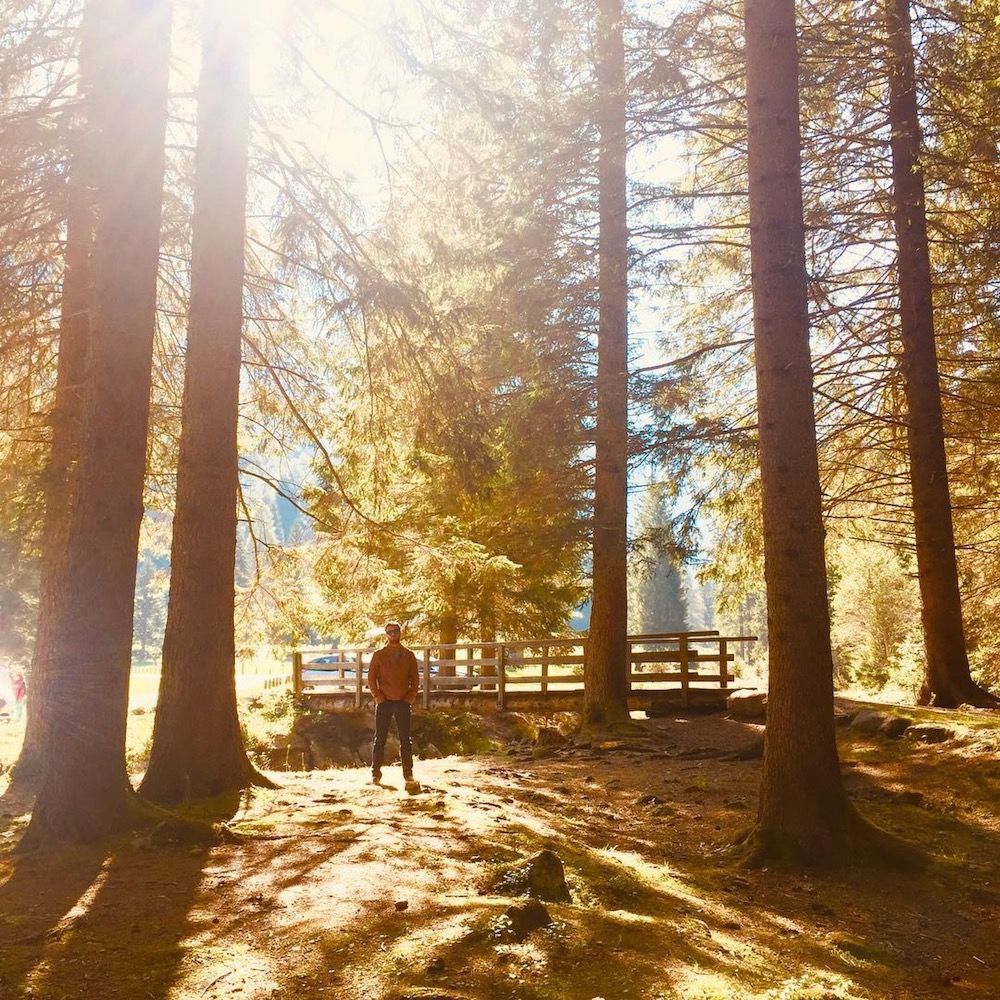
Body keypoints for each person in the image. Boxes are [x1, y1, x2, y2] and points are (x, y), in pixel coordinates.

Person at [367, 621, 420, 787]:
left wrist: (410, 697)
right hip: (384, 702)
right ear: (386, 634)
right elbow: (371, 678)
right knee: (380, 739)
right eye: (390, 632)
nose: (393, 634)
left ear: (400, 632)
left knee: (405, 739)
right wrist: (377, 696)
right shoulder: (379, 655)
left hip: (403, 702)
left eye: (396, 631)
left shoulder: (408, 655)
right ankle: (375, 774)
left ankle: (408, 774)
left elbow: (415, 678)